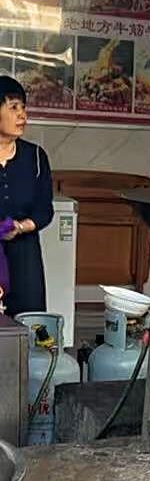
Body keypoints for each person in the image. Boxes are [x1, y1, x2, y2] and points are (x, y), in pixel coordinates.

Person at [0, 75, 54, 317]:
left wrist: (20, 227)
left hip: (25, 255)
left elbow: (44, 210)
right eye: (13, 108)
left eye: (23, 108)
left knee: (28, 323)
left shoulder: (35, 157)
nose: (22, 115)